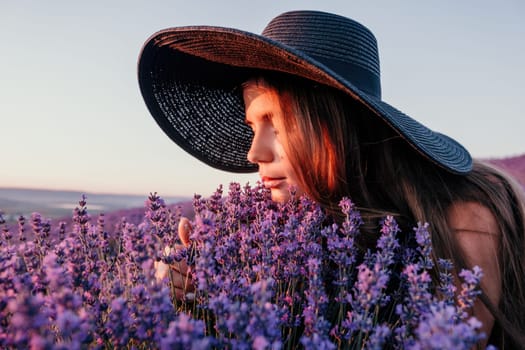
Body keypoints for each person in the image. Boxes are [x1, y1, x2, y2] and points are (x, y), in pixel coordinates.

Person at [138, 10, 525, 348]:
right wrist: (194, 295)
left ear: (337, 126)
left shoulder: (463, 220)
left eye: (276, 122)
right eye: (253, 126)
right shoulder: (297, 226)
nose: (254, 153)